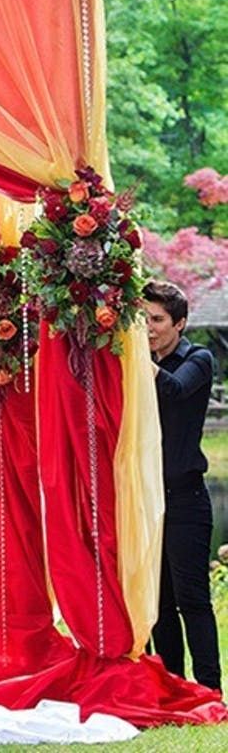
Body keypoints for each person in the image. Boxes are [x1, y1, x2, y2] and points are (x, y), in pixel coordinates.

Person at [144, 280, 221, 693]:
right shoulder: (140, 366)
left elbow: (173, 391)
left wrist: (136, 355)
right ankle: (172, 688)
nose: (149, 328)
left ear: (180, 323)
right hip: (150, 502)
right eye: (143, 320)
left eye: (156, 320)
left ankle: (210, 690)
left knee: (193, 600)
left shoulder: (199, 359)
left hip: (187, 500)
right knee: (158, 605)